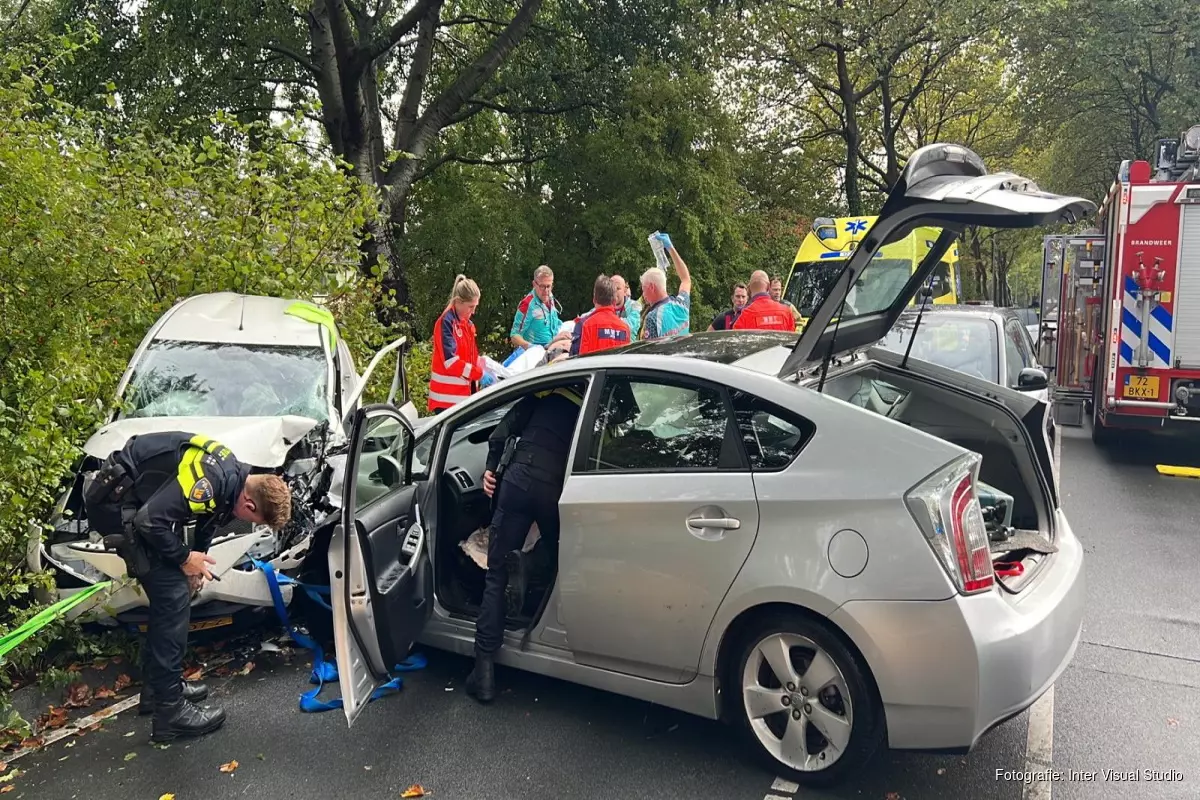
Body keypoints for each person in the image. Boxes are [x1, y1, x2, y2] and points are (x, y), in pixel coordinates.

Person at [82, 432, 291, 742]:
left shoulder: (234, 478)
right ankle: (170, 712)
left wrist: (196, 563)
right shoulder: (213, 479)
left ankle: (158, 690)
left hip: (137, 501)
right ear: (249, 504)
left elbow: (208, 518)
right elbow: (149, 522)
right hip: (117, 507)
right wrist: (184, 558)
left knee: (175, 591)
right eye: (258, 520)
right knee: (173, 596)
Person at [465, 382, 586, 702]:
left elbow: (500, 433)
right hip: (555, 488)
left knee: (496, 573)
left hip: (518, 480)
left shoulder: (545, 389)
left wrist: (490, 469)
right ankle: (530, 563)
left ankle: (484, 673)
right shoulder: (591, 401)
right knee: (561, 555)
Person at [429, 274, 487, 414]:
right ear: (459, 302)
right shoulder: (446, 323)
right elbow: (451, 362)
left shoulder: (468, 324)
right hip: (446, 401)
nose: (473, 311)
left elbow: (469, 358)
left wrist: (483, 365)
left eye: (475, 306)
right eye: (470, 307)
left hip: (462, 399)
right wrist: (479, 374)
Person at [639, 233, 692, 340]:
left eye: (644, 289)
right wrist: (671, 248)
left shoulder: (652, 318)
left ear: (652, 287)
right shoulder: (680, 304)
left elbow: (650, 349)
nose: (643, 295)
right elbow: (686, 279)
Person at [571, 275, 632, 356]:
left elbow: (583, 359)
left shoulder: (587, 325)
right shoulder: (625, 328)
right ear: (614, 301)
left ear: (594, 300)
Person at [509, 265, 562, 351]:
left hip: (553, 348)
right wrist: (532, 348)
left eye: (549, 286)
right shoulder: (527, 304)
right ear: (534, 284)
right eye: (542, 286)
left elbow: (554, 323)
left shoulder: (550, 296)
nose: (546, 291)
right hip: (537, 354)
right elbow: (514, 336)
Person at [732, 270, 797, 332]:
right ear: (768, 287)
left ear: (748, 288)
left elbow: (736, 337)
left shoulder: (744, 316)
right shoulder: (786, 312)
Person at [610, 274, 642, 339]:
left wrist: (607, 322)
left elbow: (630, 326)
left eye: (618, 288)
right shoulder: (604, 306)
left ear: (624, 291)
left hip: (629, 345)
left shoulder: (634, 306)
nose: (614, 292)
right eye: (611, 289)